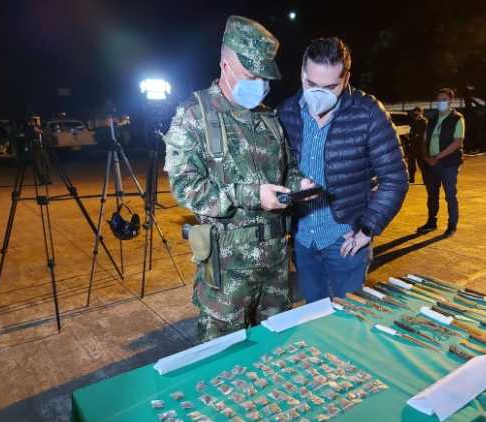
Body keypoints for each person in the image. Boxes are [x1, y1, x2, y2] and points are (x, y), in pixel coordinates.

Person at [163, 15, 313, 342]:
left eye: (264, 76)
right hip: (227, 266)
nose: (259, 83)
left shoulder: (267, 116)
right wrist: (250, 194)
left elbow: (288, 167)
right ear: (225, 65)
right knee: (222, 356)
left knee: (274, 347)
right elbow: (186, 188)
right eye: (251, 74)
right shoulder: (194, 114)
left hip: (274, 259)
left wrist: (300, 184)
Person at [278, 37, 408, 304]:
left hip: (345, 240)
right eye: (311, 84)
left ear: (346, 77)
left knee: (349, 320)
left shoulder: (368, 113)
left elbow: (394, 179)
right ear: (302, 73)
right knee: (314, 316)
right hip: (303, 241)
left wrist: (368, 228)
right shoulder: (287, 112)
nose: (318, 94)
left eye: (330, 87)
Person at [416, 88, 465, 237]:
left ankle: (451, 226)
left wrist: (436, 157)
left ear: (450, 101)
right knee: (432, 195)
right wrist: (426, 157)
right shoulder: (432, 119)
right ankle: (431, 222)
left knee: (450, 195)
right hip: (431, 163)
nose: (440, 102)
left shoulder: (457, 119)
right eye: (438, 99)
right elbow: (424, 141)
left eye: (443, 99)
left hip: (449, 163)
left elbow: (457, 142)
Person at [407, 106, 428, 183]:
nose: (415, 114)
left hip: (421, 146)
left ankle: (426, 180)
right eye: (414, 113)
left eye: (417, 112)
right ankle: (411, 179)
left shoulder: (424, 122)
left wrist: (415, 136)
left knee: (422, 164)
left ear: (421, 112)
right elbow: (412, 132)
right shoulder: (413, 121)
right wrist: (408, 135)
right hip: (413, 146)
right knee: (411, 164)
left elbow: (423, 134)